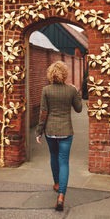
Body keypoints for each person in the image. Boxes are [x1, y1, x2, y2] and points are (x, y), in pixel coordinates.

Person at [35, 61, 82, 211]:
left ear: (51, 74)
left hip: (50, 131)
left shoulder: (46, 90)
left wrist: (39, 132)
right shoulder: (70, 90)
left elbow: (43, 113)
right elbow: (79, 109)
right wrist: (77, 92)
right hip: (66, 131)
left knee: (54, 157)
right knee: (64, 162)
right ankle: (61, 195)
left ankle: (56, 183)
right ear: (65, 74)